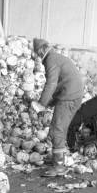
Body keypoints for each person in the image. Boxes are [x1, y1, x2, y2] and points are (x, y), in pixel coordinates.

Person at [32, 38, 84, 177]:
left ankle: (59, 166)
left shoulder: (51, 59)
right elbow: (61, 84)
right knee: (59, 127)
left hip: (69, 97)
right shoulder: (56, 57)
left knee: (57, 129)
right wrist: (50, 103)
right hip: (72, 94)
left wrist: (41, 105)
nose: (37, 57)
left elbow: (51, 84)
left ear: (42, 50)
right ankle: (58, 158)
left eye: (37, 53)